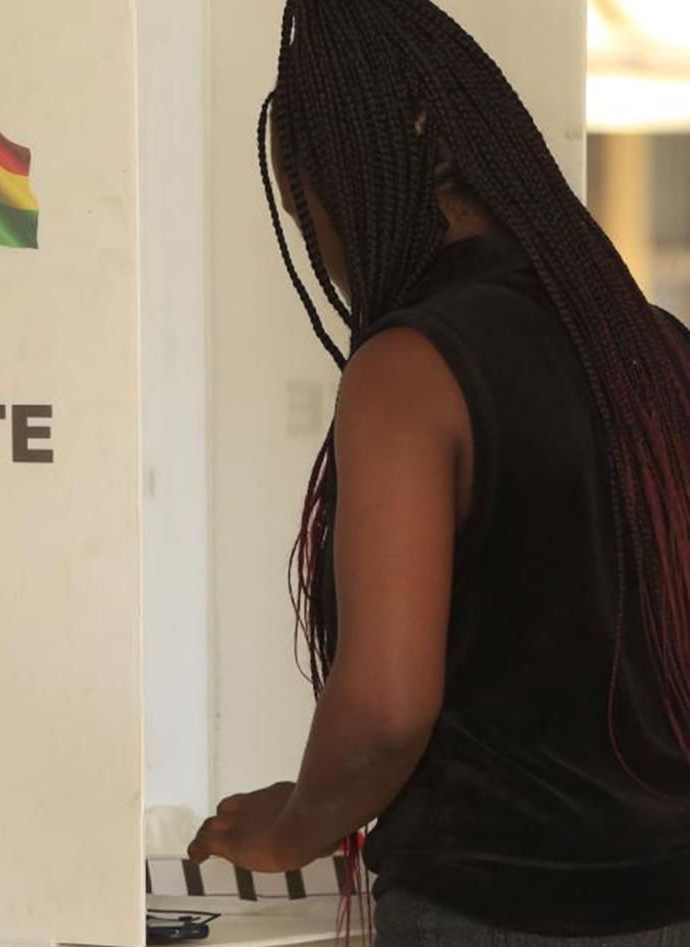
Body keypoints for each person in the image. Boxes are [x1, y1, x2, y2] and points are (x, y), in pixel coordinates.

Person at [186, 1, 690, 944]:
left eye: (307, 213)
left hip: (493, 909)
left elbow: (386, 709)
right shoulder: (656, 346)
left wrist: (292, 827)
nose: (326, 254)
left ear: (354, 183)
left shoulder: (410, 369)